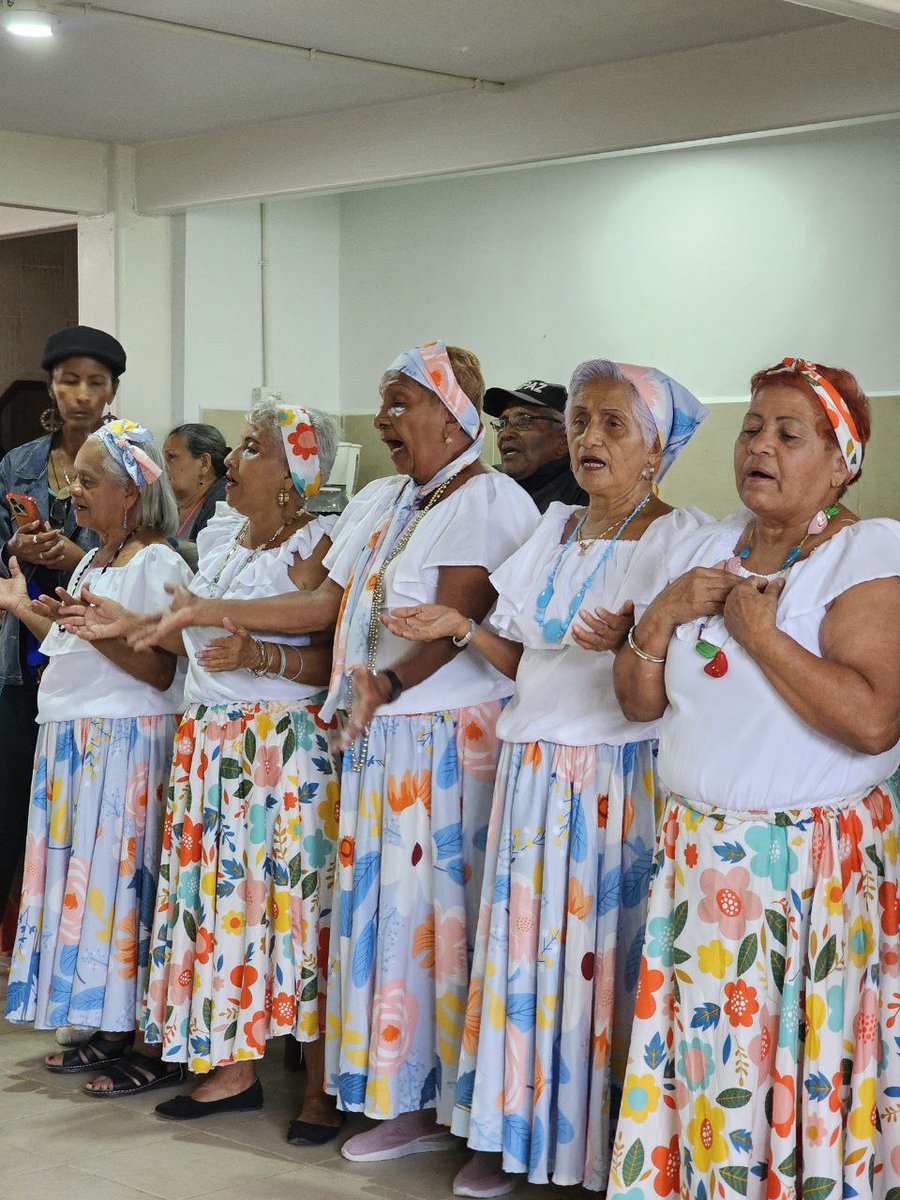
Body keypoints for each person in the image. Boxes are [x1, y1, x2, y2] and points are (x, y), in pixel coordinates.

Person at [133, 341, 539, 1160]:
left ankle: (456, 1108)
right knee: (390, 921)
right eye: (383, 404)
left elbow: (460, 622)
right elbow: (328, 598)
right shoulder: (391, 498)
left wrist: (378, 687)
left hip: (445, 739)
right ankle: (406, 1093)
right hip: (378, 735)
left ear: (457, 410)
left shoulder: (489, 499)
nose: (386, 420)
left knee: (440, 919)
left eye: (402, 403)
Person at [384, 359, 709, 1195]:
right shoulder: (557, 526)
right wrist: (461, 625)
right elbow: (525, 656)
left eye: (613, 426)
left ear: (657, 449)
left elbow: (690, 674)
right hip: (533, 773)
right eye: (583, 422)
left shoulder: (685, 539)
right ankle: (518, 1134)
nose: (589, 439)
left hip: (614, 779)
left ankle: (594, 1145)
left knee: (601, 963)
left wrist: (642, 639)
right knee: (527, 957)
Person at [608, 358, 900, 1200]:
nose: (759, 446)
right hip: (700, 863)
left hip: (806, 878)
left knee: (792, 1065)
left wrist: (761, 634)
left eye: (787, 433)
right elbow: (636, 704)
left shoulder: (864, 552)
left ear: (841, 461)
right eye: (751, 428)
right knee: (711, 1067)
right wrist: (661, 616)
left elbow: (876, 718)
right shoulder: (707, 545)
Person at [64, 405, 344, 1137]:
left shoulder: (318, 543)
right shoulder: (221, 545)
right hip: (211, 749)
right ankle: (233, 1066)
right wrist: (129, 627)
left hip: (278, 753)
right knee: (225, 912)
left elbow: (328, 660)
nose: (232, 460)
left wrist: (260, 657)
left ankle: (319, 1086)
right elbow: (192, 637)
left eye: (252, 449)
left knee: (290, 912)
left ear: (293, 476)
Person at [3, 420, 191, 1098]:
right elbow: (74, 641)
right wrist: (26, 610)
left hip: (125, 745)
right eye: (73, 479)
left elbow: (161, 672)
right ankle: (110, 1026)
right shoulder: (93, 559)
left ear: (132, 495)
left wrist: (101, 633)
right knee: (95, 893)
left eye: (88, 481)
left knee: (125, 890)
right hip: (75, 740)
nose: (72, 491)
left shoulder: (158, 564)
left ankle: (148, 1038)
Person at [0, 325, 124, 930]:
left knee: (75, 808)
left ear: (112, 391)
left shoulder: (130, 460)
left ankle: (66, 933)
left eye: (94, 383)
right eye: (69, 380)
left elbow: (140, 553)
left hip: (91, 653)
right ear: (51, 386)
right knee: (9, 798)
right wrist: (16, 550)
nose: (81, 394)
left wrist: (71, 558)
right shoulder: (18, 463)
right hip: (21, 652)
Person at [485, 378, 587, 512]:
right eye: (502, 423)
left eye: (523, 421)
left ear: (563, 440)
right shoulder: (487, 481)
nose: (505, 433)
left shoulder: (584, 491)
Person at [163, 423, 229, 542]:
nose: (163, 466)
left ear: (203, 463)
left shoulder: (223, 504)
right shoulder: (166, 505)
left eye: (171, 457)